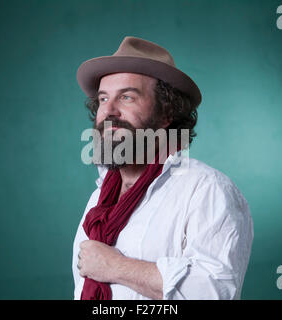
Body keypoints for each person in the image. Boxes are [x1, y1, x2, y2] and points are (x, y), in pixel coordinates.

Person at [72, 36, 254, 300]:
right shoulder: (99, 200)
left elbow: (215, 291)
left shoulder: (206, 190)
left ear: (167, 112)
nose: (108, 111)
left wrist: (116, 267)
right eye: (102, 99)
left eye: (126, 97)